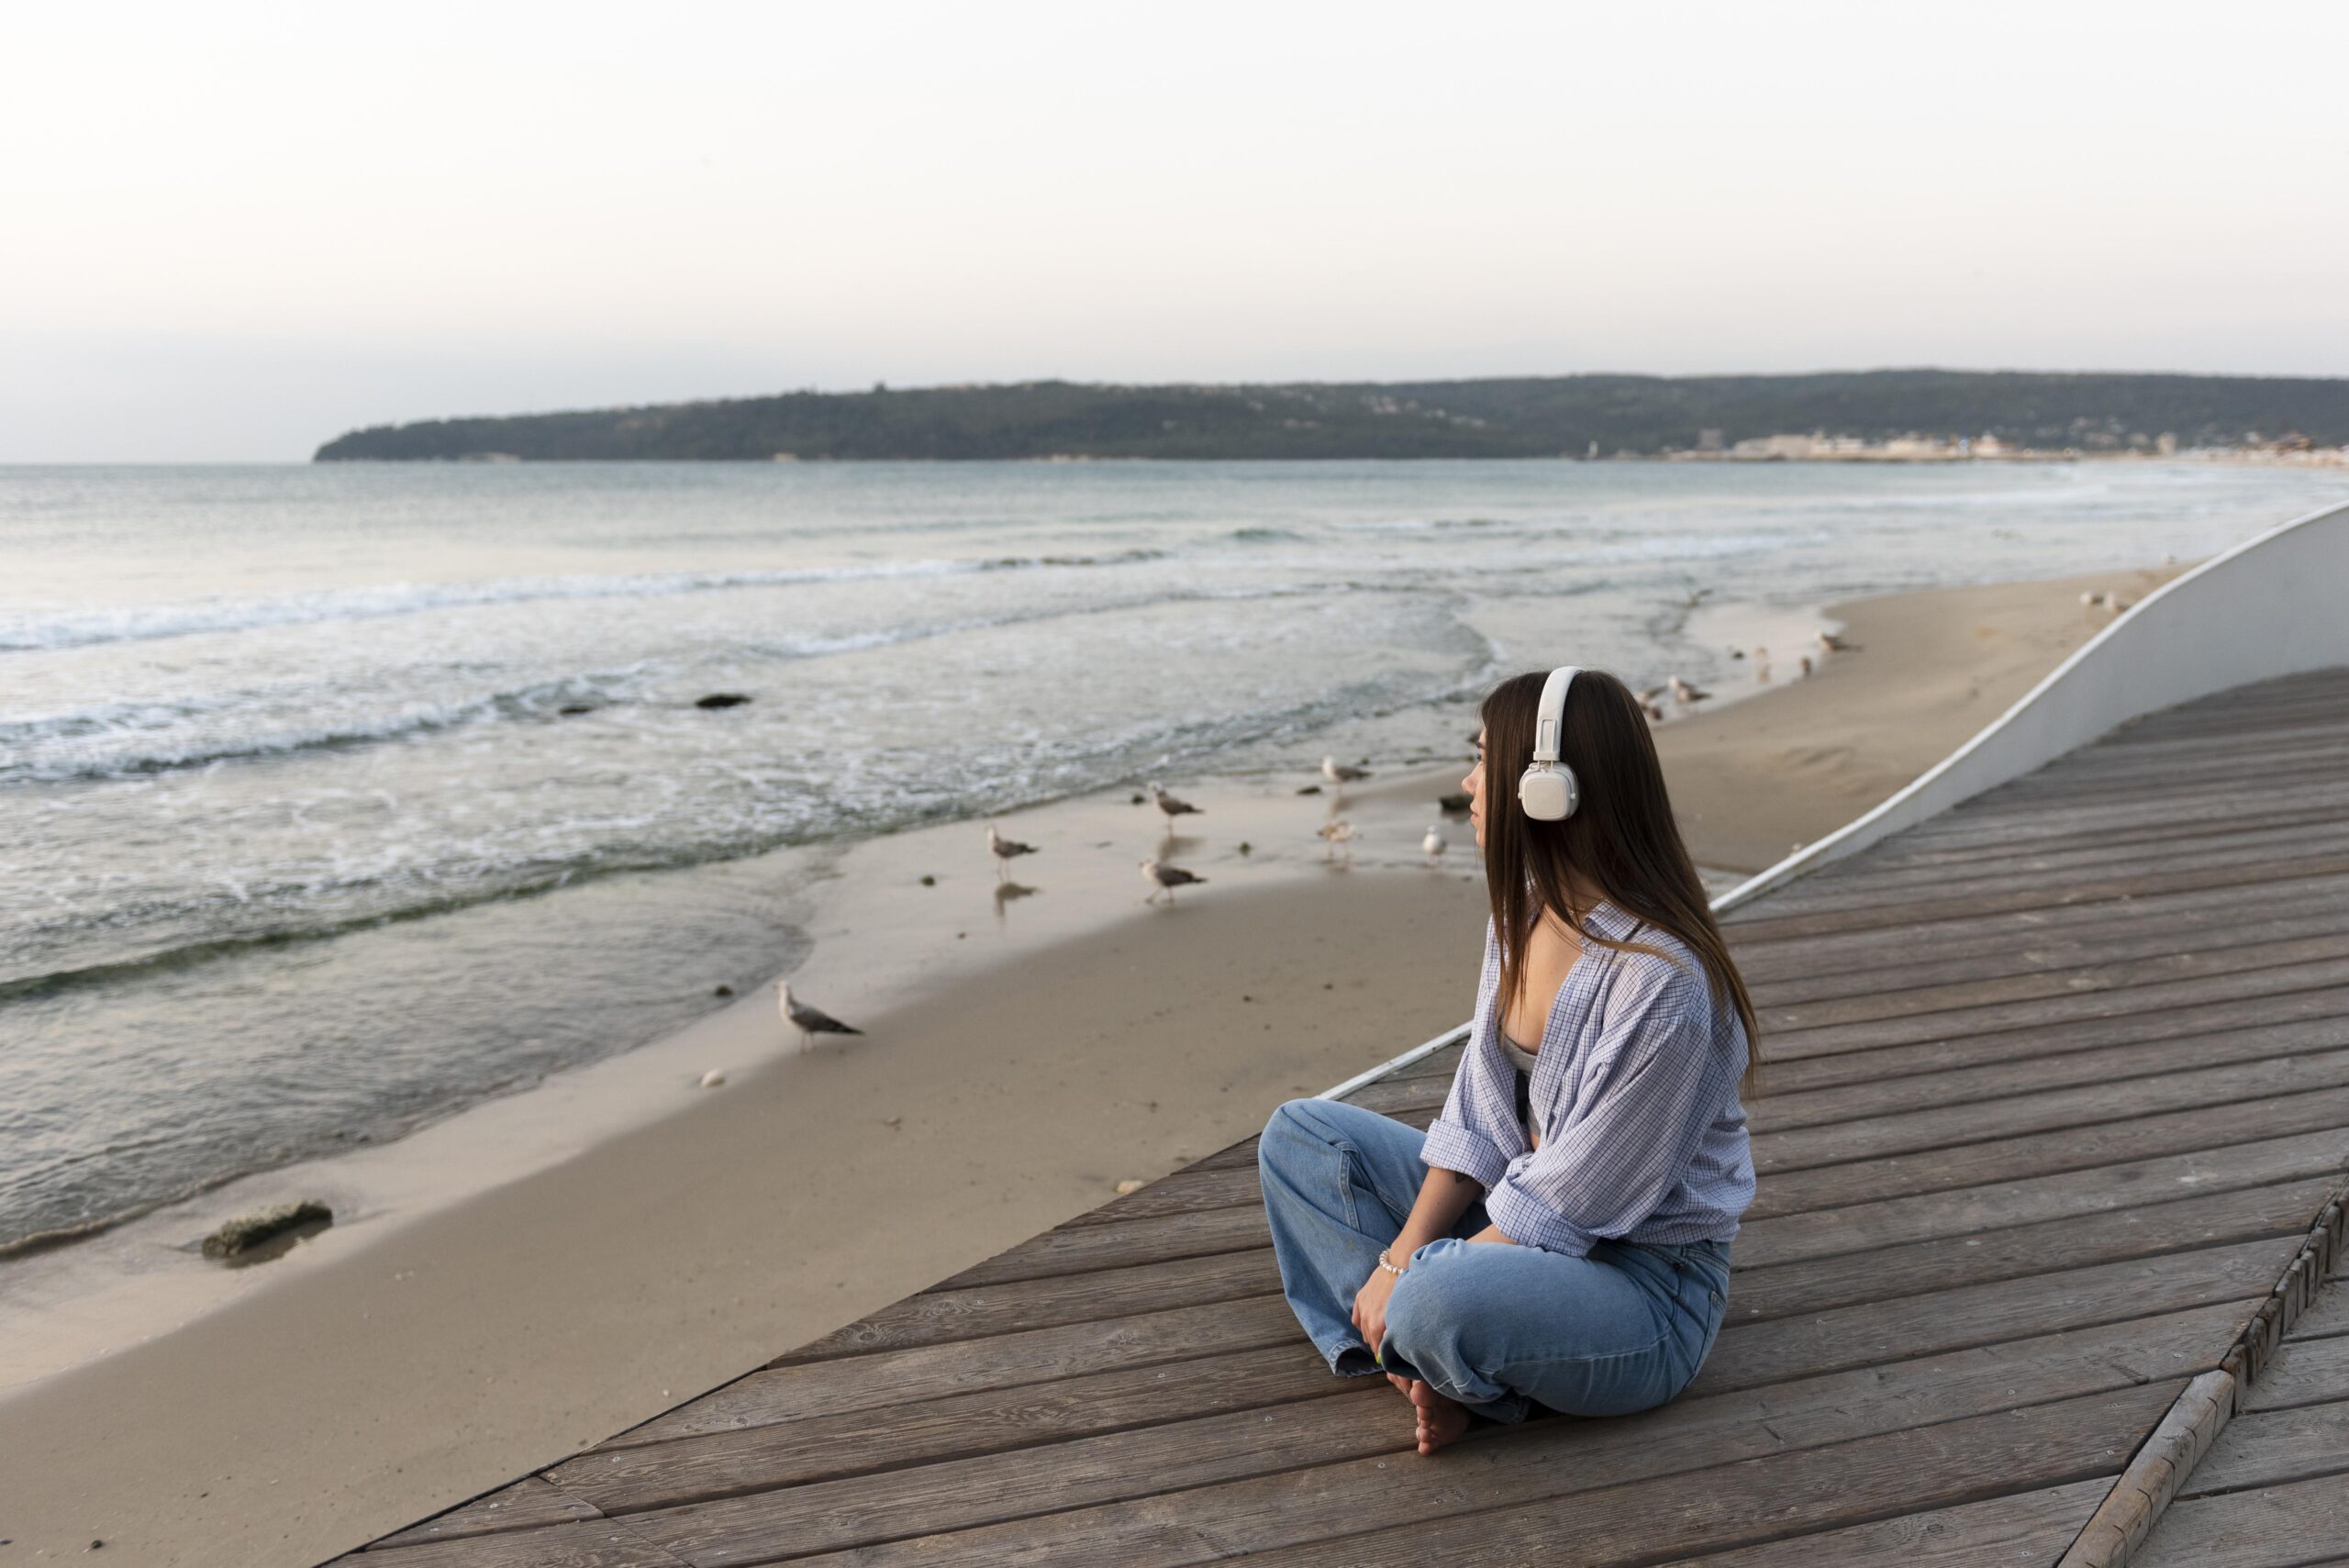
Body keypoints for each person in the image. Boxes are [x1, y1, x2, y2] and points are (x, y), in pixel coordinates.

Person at [1257, 666, 1760, 1456]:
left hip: (1647, 1289)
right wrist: (1397, 1259)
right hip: (1526, 1219)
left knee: (1432, 1300)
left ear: (1549, 787)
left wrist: (1412, 1277)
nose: (1467, 780)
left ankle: (1436, 1351)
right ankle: (1424, 1365)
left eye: (1485, 757)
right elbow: (1477, 1120)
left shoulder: (1663, 984)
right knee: (1301, 1140)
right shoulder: (1524, 913)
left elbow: (1570, 1201)